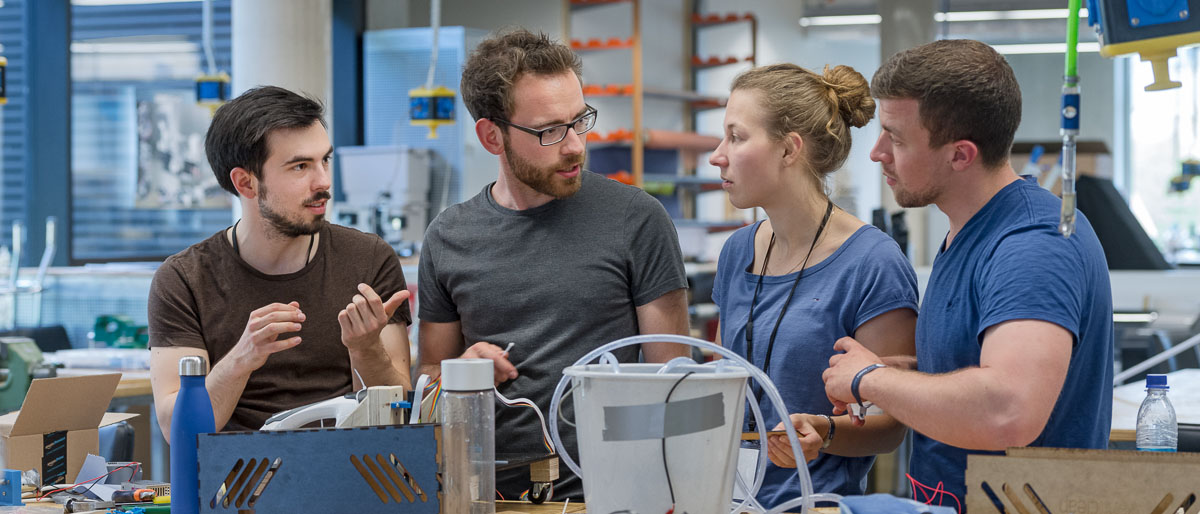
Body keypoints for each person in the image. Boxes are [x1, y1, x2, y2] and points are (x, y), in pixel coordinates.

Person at [822, 39, 1114, 506]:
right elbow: (982, 366)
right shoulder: (969, 231)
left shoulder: (1031, 244)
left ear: (961, 155)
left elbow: (1008, 410)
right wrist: (904, 376)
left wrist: (869, 380)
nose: (877, 153)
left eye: (895, 138)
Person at [417, 29, 691, 500]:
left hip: (612, 499)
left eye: (579, 121)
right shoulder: (448, 237)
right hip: (491, 500)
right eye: (549, 131)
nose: (575, 146)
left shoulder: (636, 218)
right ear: (490, 136)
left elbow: (677, 384)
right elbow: (429, 381)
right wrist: (460, 370)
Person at [708, 63, 918, 507]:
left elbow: (892, 424)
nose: (717, 155)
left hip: (813, 503)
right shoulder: (736, 252)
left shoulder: (872, 262)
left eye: (736, 136)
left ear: (789, 150)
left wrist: (824, 435)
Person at [148, 86, 413, 437]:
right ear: (246, 183)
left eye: (325, 160)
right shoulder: (184, 280)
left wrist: (366, 350)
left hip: (349, 476)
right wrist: (242, 358)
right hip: (233, 482)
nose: (323, 182)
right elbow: (175, 430)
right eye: (300, 166)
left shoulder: (369, 260)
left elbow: (401, 419)